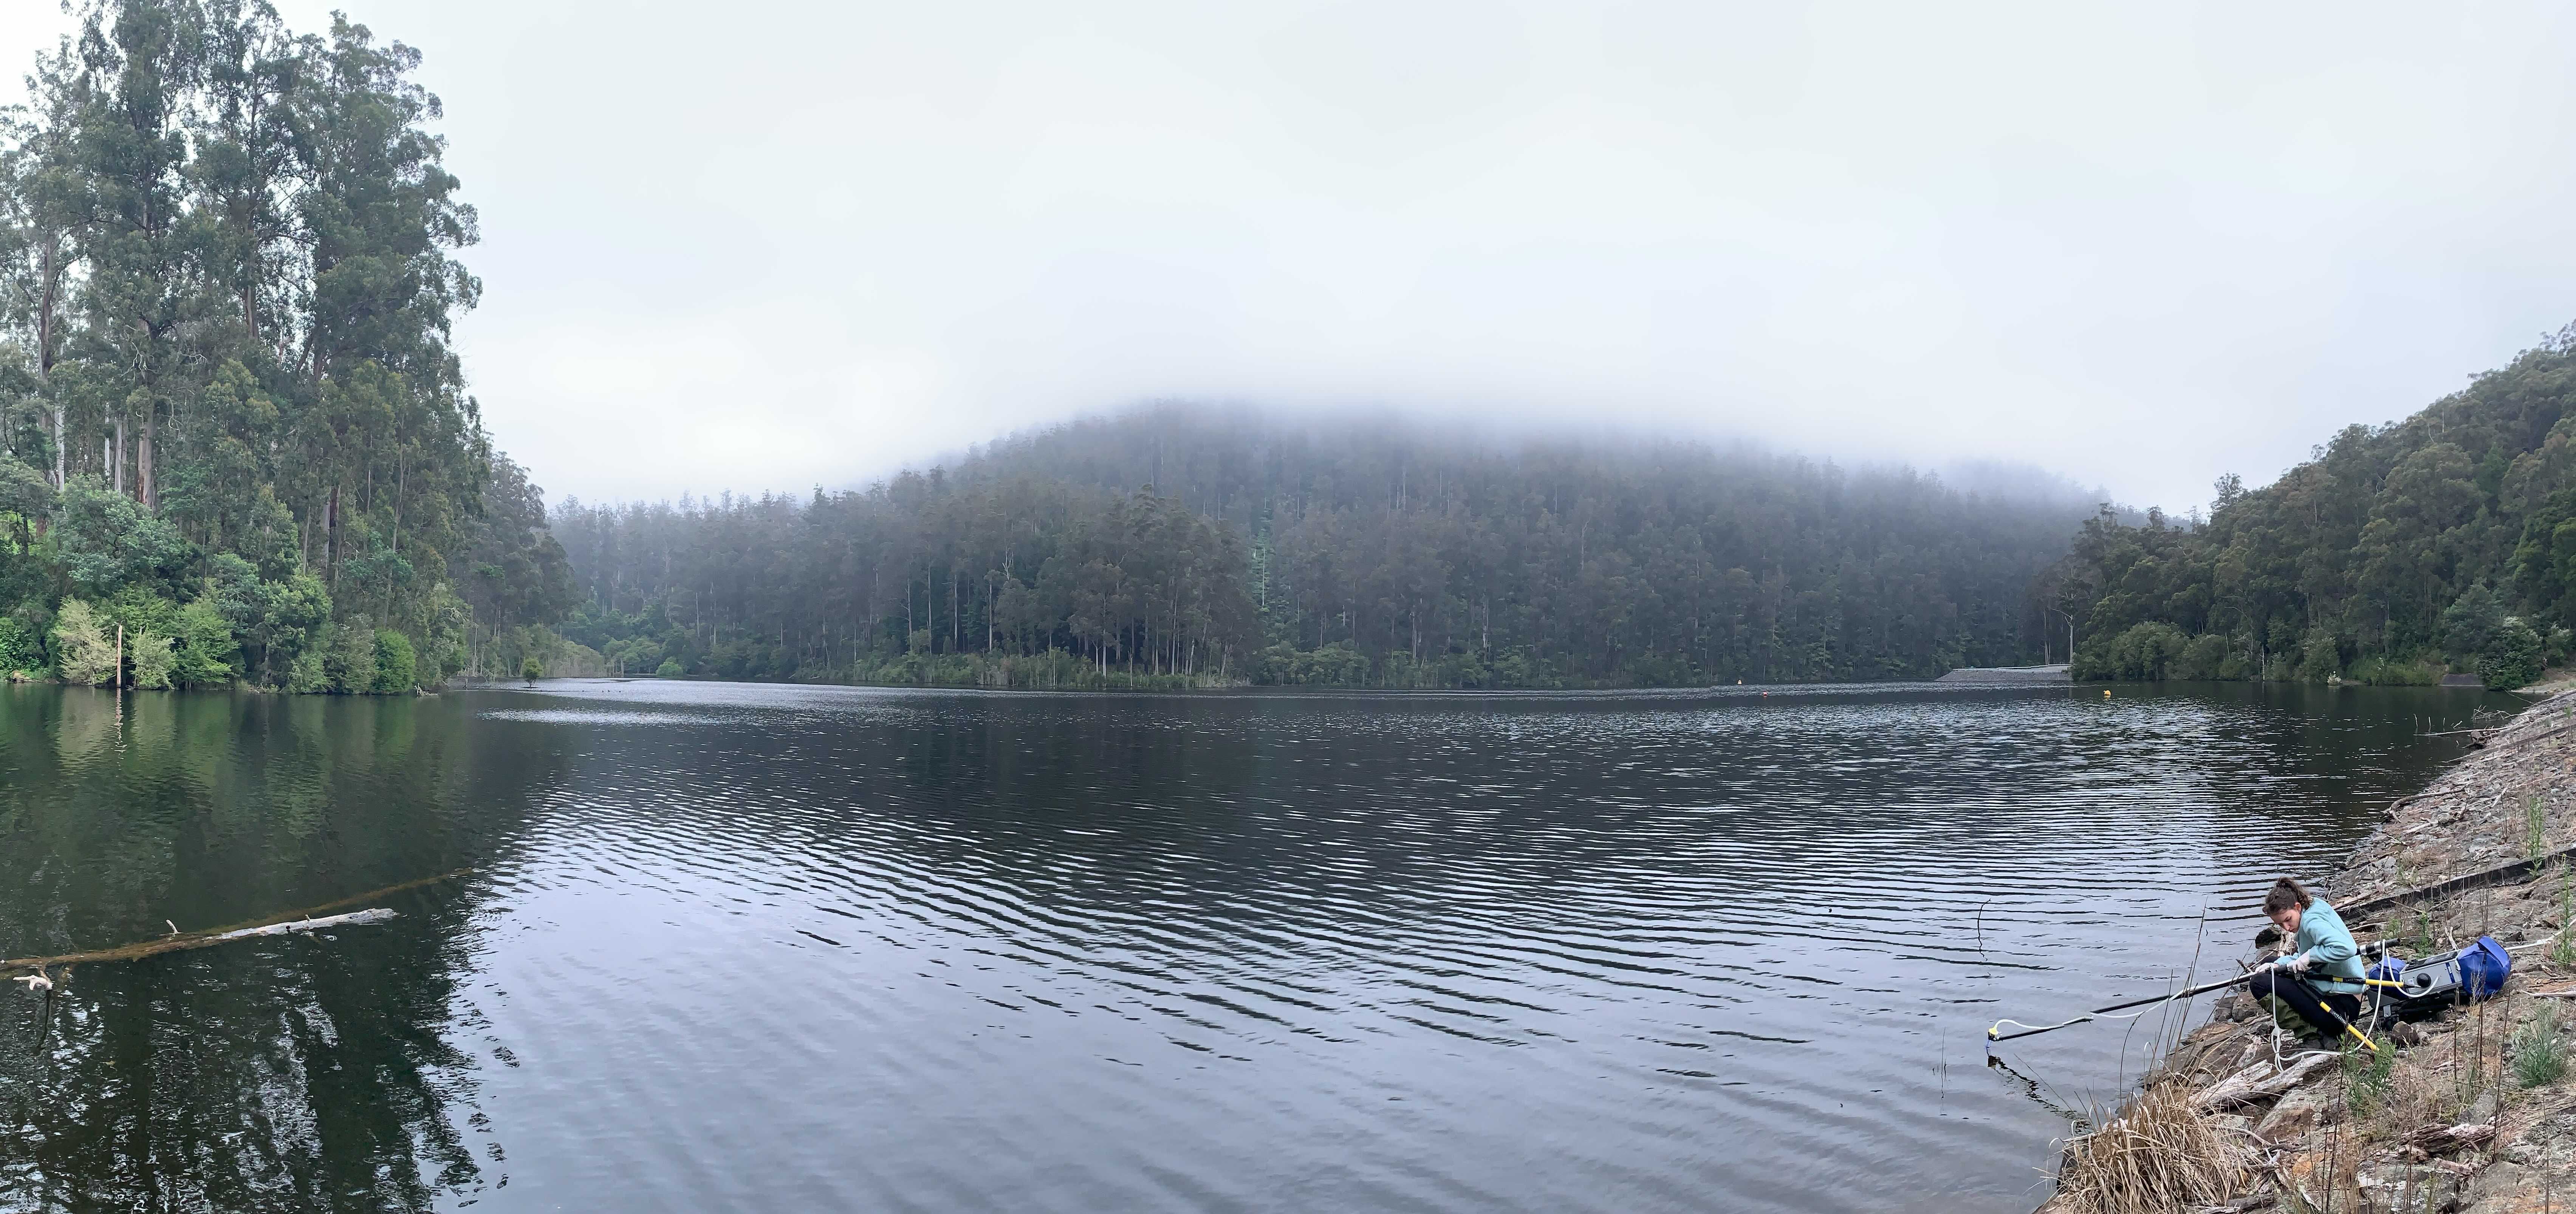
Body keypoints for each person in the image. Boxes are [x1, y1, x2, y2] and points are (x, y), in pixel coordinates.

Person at [2251, 876, 2365, 1047]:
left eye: (2288, 920)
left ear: (2297, 907)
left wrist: (2310, 956)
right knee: (2271, 964)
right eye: (2280, 925)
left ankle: (2313, 1033)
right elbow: (2303, 957)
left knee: (2259, 984)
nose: (2287, 928)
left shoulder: (2311, 922)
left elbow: (2347, 948)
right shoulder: (2311, 907)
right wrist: (2277, 965)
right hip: (2337, 993)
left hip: (2340, 1012)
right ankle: (2316, 1028)